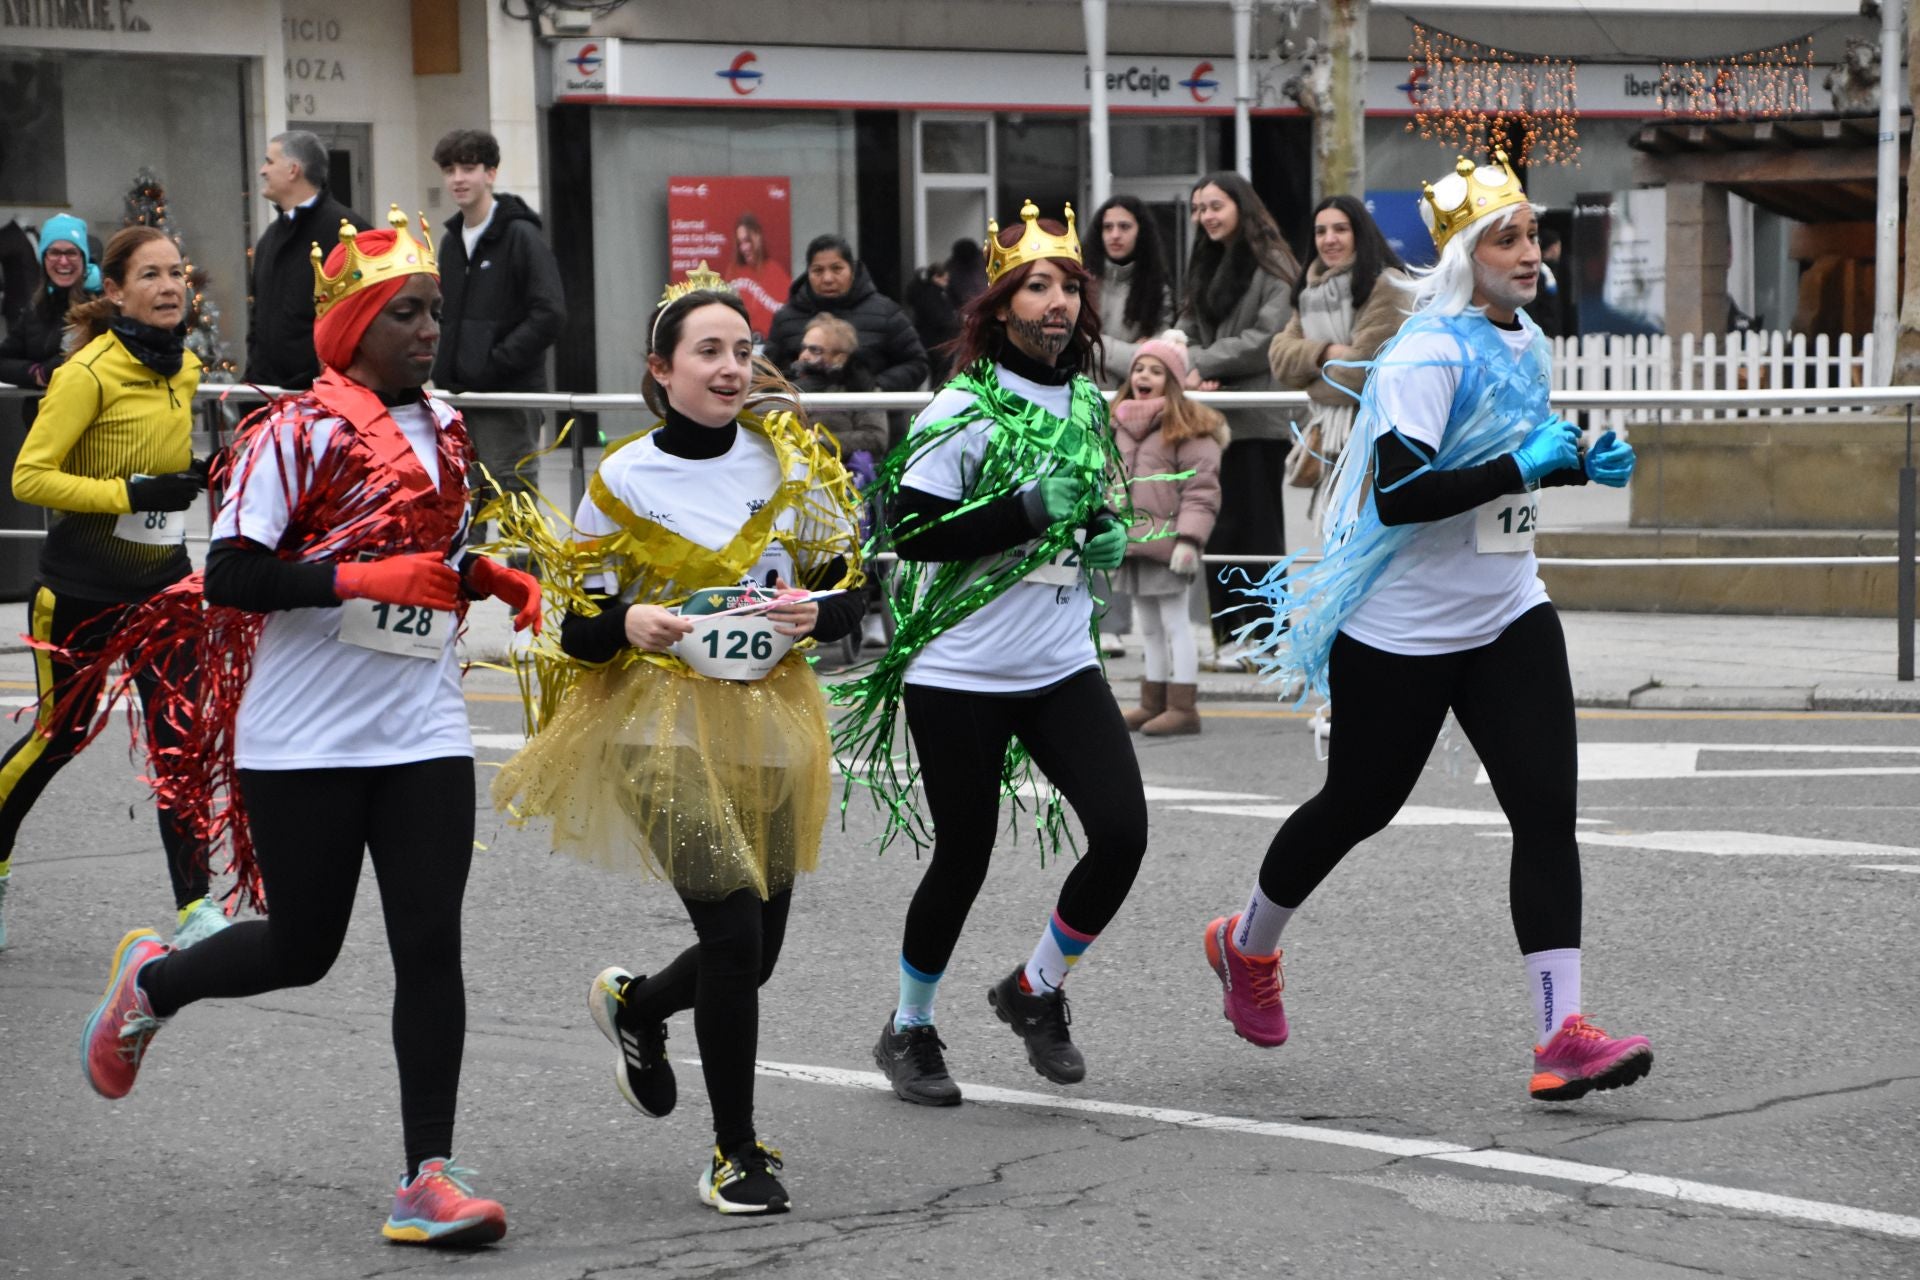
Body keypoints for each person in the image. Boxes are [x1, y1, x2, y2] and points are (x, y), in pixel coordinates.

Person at [77, 208, 540, 1245]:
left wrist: (482, 573)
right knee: (303, 947)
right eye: (405, 312)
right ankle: (153, 980)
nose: (429, 329)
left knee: (431, 945)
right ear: (353, 326)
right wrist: (361, 577)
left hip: (420, 724)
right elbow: (232, 576)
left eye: (434, 310)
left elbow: (430, 549)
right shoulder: (289, 432)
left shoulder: (450, 425)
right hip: (304, 736)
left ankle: (428, 1175)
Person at [1201, 153, 1652, 1105]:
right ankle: (1248, 945)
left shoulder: (1528, 340)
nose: (1530, 253)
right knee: (1358, 805)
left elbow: (1505, 467)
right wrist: (1522, 466)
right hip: (1402, 629)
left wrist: (1578, 464)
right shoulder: (1425, 351)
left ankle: (1559, 1034)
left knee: (1545, 812)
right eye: (1508, 238)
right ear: (1463, 257)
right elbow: (1403, 493)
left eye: (1533, 234)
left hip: (1507, 612)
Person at [490, 269, 864, 1216]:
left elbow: (853, 594)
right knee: (733, 926)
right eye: (709, 351)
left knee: (757, 950)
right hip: (655, 726)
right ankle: (734, 1152)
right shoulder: (621, 478)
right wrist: (630, 621)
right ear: (660, 369)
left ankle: (638, 1007)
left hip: (772, 719)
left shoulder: (791, 465)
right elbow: (571, 626)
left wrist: (810, 612)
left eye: (743, 350)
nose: (732, 368)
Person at [834, 201, 1149, 1108]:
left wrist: (1101, 533)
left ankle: (1034, 990)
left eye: (1069, 287)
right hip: (960, 667)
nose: (1057, 303)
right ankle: (909, 1026)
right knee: (963, 856)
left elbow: (1091, 504)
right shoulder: (963, 405)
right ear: (1002, 304)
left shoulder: (1086, 400)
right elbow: (915, 529)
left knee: (1123, 833)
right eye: (1037, 287)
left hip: (1056, 659)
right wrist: (1026, 511)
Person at [0, 226, 219, 953]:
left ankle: (196, 908)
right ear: (116, 291)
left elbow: (158, 463)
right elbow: (30, 477)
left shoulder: (182, 365)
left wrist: (194, 473)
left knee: (178, 743)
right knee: (57, 740)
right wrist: (130, 492)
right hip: (81, 590)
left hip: (163, 588)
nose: (168, 287)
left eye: (176, 274)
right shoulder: (87, 373)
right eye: (150, 275)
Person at [1179, 172, 1299, 667]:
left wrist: (1202, 363)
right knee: (1219, 529)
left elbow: (1268, 337)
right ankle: (1226, 639)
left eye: (1214, 205)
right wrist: (1188, 358)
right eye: (1199, 207)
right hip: (1211, 414)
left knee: (1258, 532)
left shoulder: (1274, 264)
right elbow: (1187, 325)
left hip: (1257, 417)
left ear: (1241, 207)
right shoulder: (1205, 262)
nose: (1206, 215)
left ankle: (1268, 641)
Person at [431, 128, 568, 507]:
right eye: (449, 169)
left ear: (490, 173)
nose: (458, 178)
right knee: (464, 506)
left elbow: (550, 312)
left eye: (468, 168)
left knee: (514, 504)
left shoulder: (521, 235)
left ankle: (524, 571)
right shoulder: (450, 240)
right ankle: (465, 570)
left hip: (509, 399)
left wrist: (495, 363)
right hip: (458, 399)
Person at [1268, 194, 1413, 514]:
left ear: (1360, 233)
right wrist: (1325, 353)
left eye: (1340, 229)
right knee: (1340, 539)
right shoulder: (1309, 293)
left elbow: (1363, 374)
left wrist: (1308, 374)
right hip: (1332, 448)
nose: (1329, 239)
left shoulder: (1388, 285)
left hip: (1381, 441)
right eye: (1321, 232)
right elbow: (1279, 360)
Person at [1110, 334, 1225, 736]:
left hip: (1171, 545)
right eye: (1139, 369)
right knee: (1151, 628)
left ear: (1173, 381)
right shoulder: (1120, 424)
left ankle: (1183, 704)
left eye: (1156, 371)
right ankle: (1152, 700)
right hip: (1133, 543)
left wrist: (1190, 540)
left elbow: (1201, 490)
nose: (1144, 376)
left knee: (1175, 624)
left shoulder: (1187, 428)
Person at [245, 129, 370, 389]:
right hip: (268, 397)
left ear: (293, 169)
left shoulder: (347, 233)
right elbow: (259, 318)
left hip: (324, 401)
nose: (262, 171)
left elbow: (362, 318)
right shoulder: (269, 239)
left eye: (269, 161)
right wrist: (253, 377)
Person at [763, 234, 928, 398]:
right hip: (800, 419)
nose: (827, 278)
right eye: (818, 270)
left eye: (836, 269)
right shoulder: (786, 318)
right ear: (808, 273)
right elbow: (766, 374)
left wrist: (876, 388)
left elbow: (917, 363)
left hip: (875, 419)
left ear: (852, 270)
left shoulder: (886, 313)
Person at [0, 213, 100, 422]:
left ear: (83, 258)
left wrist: (50, 370)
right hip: (41, 424)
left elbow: (83, 357)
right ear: (44, 259)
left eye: (71, 253)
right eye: (54, 252)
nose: (63, 261)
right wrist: (36, 374)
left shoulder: (99, 306)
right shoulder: (35, 310)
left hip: (89, 424)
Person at [1085, 194, 1174, 388]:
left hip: (1131, 398)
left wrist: (1095, 345)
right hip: (1082, 397)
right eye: (1108, 227)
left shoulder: (1157, 288)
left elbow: (1158, 356)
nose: (1115, 235)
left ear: (1140, 232)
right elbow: (1074, 343)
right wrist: (1133, 353)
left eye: (1124, 227)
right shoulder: (1079, 281)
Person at [725, 212, 790, 340]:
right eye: (740, 243)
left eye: (747, 241)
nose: (744, 248)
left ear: (758, 236)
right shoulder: (733, 272)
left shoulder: (775, 271)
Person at [904, 261, 960, 385]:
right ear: (936, 277)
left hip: (932, 340)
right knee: (940, 376)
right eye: (944, 279)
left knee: (936, 375)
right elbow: (939, 317)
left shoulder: (925, 293)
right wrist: (953, 323)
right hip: (939, 341)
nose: (946, 283)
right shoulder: (935, 295)